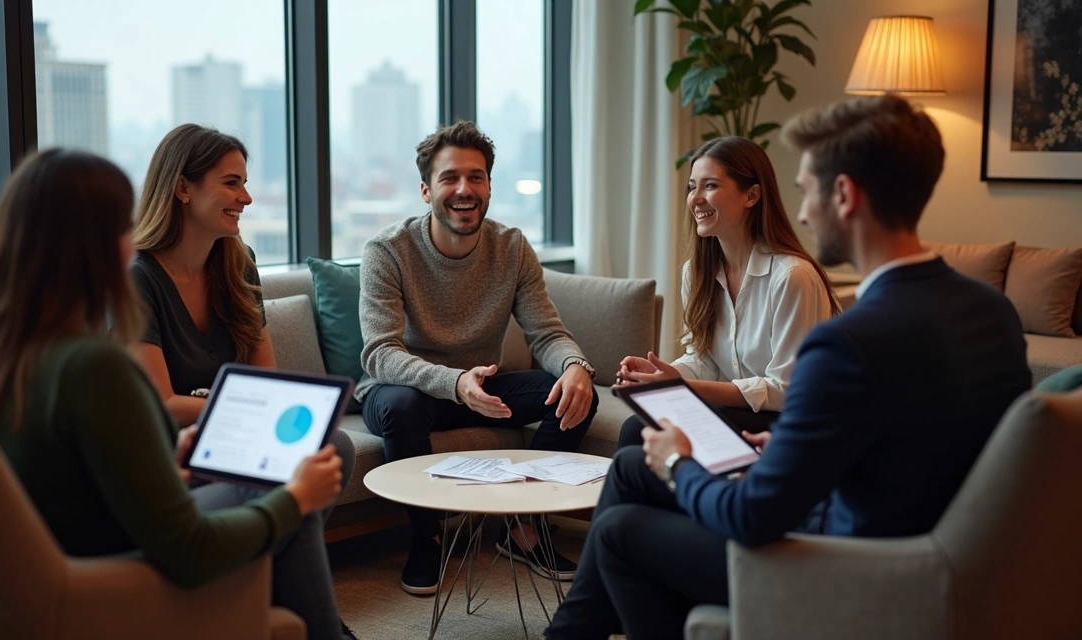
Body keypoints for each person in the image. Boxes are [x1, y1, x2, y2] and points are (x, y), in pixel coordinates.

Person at [545, 95, 1032, 640]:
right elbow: (918, 432)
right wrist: (791, 447)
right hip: (941, 549)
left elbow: (752, 516)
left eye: (806, 191)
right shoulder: (994, 311)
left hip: (851, 566)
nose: (801, 213)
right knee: (634, 467)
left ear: (843, 195)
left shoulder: (845, 344)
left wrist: (679, 462)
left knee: (619, 529)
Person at [0, 150, 345, 626]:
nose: (133, 244)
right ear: (95, 248)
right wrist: (297, 498)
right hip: (105, 576)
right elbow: (189, 549)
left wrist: (158, 457)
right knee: (286, 479)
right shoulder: (90, 366)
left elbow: (52, 473)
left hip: (33, 570)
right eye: (124, 228)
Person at [127, 124, 357, 639]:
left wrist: (232, 405)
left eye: (245, 184)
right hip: (179, 455)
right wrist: (236, 405)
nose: (246, 198)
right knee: (292, 479)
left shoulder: (238, 262)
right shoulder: (137, 278)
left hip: (237, 434)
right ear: (183, 188)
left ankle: (271, 589)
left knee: (334, 445)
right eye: (231, 183)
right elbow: (162, 405)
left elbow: (266, 379)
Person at [359, 120, 599, 595]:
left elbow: (547, 333)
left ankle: (522, 526)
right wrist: (453, 382)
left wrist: (576, 367)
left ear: (489, 186)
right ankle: (426, 537)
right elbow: (380, 353)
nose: (464, 189)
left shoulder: (512, 247)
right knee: (402, 405)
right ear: (426, 190)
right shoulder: (387, 250)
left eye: (476, 177)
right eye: (449, 177)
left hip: (481, 389)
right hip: (408, 391)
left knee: (576, 395)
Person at [615, 136, 838, 446]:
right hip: (746, 413)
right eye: (692, 187)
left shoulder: (792, 276)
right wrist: (659, 374)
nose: (695, 198)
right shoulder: (696, 273)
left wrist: (683, 387)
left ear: (752, 195)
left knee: (640, 433)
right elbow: (702, 360)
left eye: (710, 185)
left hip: (797, 421)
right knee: (635, 428)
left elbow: (786, 390)